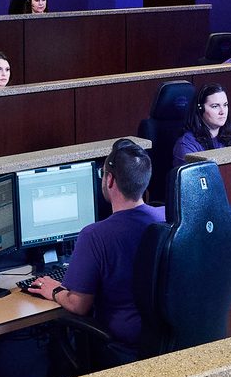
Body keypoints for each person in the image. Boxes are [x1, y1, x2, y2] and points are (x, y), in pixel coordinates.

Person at [21, 139, 162, 357]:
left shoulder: (95, 235)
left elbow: (79, 305)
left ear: (110, 180)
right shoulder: (167, 217)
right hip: (163, 338)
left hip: (124, 342)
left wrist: (55, 290)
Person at [173, 81, 231, 160]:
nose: (222, 112)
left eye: (225, 105)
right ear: (200, 109)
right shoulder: (187, 143)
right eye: (215, 106)